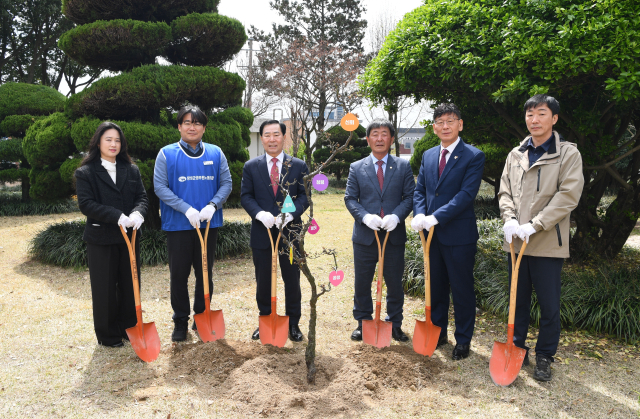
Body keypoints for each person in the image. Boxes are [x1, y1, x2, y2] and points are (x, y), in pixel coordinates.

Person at [499, 94, 584, 381]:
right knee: (517, 300)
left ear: (554, 118)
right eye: (530, 114)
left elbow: (568, 196)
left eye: (541, 114)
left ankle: (545, 355)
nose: (534, 120)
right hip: (516, 243)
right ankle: (517, 347)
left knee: (549, 305)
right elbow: (505, 191)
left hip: (548, 242)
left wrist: (536, 224)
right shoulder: (515, 154)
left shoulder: (568, 154)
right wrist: (509, 218)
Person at [411, 103, 486, 360]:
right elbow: (420, 189)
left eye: (450, 121)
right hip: (431, 236)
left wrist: (435, 217)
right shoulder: (429, 155)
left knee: (462, 288)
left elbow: (466, 195)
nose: (445, 126)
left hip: (459, 236)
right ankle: (438, 331)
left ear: (460, 124)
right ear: (434, 127)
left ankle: (463, 339)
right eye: (440, 122)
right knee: (436, 286)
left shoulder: (473, 156)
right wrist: (420, 213)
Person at [154, 105, 232, 342]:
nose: (192, 126)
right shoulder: (166, 153)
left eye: (197, 122)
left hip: (209, 225)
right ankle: (180, 321)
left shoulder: (216, 153)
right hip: (178, 225)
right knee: (179, 275)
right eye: (187, 122)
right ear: (179, 126)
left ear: (204, 128)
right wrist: (185, 208)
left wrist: (213, 205)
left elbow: (226, 184)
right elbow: (160, 187)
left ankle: (202, 316)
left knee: (205, 274)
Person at [75, 121, 149, 348]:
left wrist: (138, 213)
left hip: (129, 238)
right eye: (108, 139)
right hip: (101, 238)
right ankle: (108, 335)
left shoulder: (131, 169)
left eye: (117, 140)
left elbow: (142, 198)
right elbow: (86, 204)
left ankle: (129, 327)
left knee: (130, 284)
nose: (113, 144)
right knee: (104, 288)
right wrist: (116, 215)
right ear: (98, 142)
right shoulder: (85, 172)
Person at [344, 118, 415, 342]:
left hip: (393, 236)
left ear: (392, 139)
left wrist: (397, 216)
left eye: (384, 134)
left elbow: (410, 197)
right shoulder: (357, 167)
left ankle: (394, 323)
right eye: (375, 134)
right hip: (365, 237)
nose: (380, 138)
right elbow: (350, 199)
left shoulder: (403, 166)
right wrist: (365, 217)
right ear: (368, 139)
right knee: (362, 282)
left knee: (394, 282)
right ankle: (362, 322)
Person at [240, 120, 309, 342]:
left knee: (292, 278)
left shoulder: (298, 165)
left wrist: (290, 215)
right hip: (262, 231)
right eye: (267, 135)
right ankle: (265, 318)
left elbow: (305, 196)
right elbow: (246, 196)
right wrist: (260, 214)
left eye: (276, 135)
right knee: (263, 279)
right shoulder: (251, 166)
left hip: (290, 233)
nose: (272, 139)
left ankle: (293, 323)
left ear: (283, 137)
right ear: (261, 138)